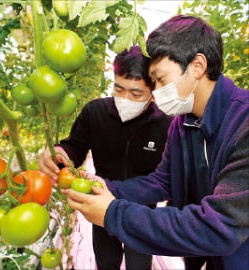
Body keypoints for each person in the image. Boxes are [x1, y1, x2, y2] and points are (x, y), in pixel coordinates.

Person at [65, 15, 249, 270]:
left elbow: (220, 227)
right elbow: (163, 181)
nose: (158, 91)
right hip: (201, 257)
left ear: (197, 66)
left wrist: (113, 213)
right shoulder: (182, 124)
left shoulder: (244, 125)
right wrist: (106, 188)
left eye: (161, 79)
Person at [39, 46, 173, 270]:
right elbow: (75, 146)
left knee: (139, 265)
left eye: (135, 93)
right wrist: (60, 153)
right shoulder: (95, 113)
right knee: (106, 262)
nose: (125, 98)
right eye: (119, 89)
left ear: (152, 93)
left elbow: (166, 176)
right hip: (100, 204)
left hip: (141, 214)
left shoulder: (166, 125)